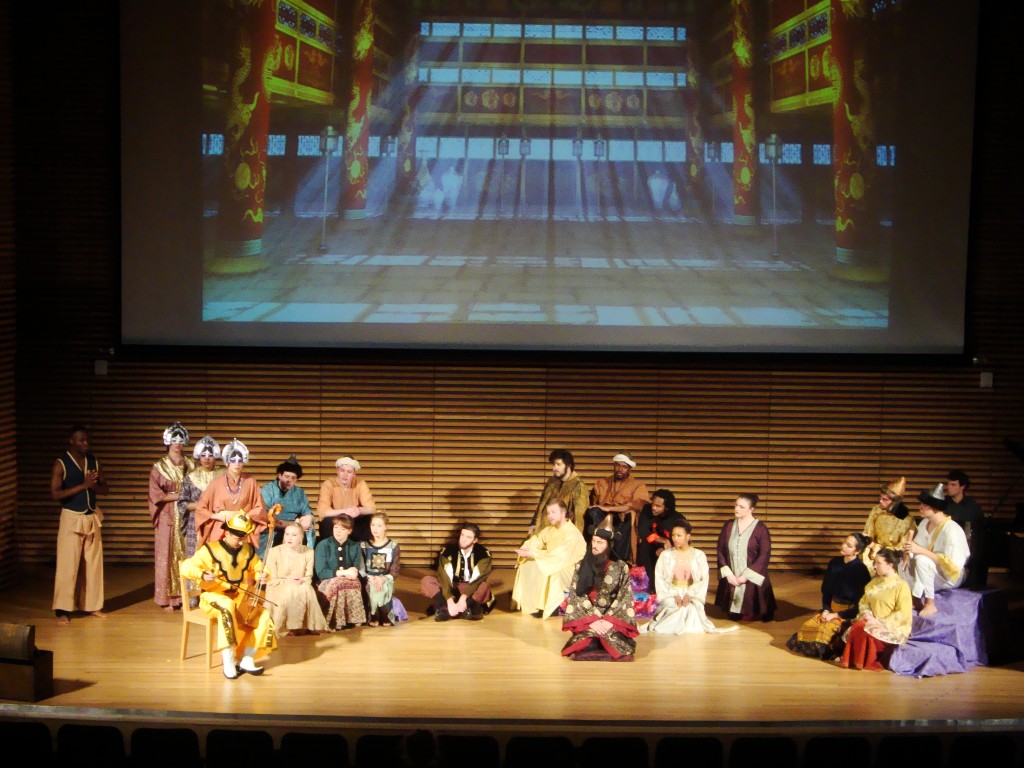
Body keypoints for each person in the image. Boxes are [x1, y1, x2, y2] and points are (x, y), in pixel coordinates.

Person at [180, 512, 277, 679]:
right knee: (227, 608)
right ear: (227, 533)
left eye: (243, 537)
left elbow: (258, 568)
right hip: (213, 596)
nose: (240, 541)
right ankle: (229, 660)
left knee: (263, 615)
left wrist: (262, 574)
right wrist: (202, 574)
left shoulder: (247, 550)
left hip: (239, 595)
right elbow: (186, 567)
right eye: (237, 537)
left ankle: (247, 658)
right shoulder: (210, 550)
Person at [51, 425, 109, 625]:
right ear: (71, 441)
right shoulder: (61, 464)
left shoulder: (93, 461)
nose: (85, 444)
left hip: (91, 516)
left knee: (93, 565)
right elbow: (56, 494)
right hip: (71, 518)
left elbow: (105, 490)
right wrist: (82, 486)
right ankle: (62, 610)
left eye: (87, 440)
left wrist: (98, 484)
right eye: (81, 440)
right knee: (68, 566)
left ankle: (92, 605)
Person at [641, 521, 738, 635]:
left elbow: (702, 579)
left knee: (690, 609)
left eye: (679, 535)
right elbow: (660, 578)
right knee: (674, 607)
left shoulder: (698, 555)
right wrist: (674, 594)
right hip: (671, 591)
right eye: (673, 535)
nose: (675, 539)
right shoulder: (666, 555)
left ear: (688, 536)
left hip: (691, 591)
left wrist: (690, 594)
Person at [786, 533, 872, 659]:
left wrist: (837, 615)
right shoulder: (834, 563)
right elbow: (826, 591)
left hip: (847, 613)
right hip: (830, 609)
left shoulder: (861, 570)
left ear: (857, 551)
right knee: (808, 627)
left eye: (848, 545)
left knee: (823, 633)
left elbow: (860, 604)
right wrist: (826, 610)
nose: (843, 546)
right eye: (844, 542)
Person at [561, 528, 639, 660]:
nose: (595, 546)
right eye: (593, 541)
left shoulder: (620, 567)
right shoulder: (581, 566)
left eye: (600, 542)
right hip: (588, 619)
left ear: (609, 545)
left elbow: (624, 596)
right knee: (586, 641)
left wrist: (608, 621)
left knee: (615, 640)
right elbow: (576, 596)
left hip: (612, 619)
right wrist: (593, 620)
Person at [900, 484, 970, 618]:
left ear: (936, 508)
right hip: (928, 569)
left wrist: (919, 550)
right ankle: (914, 600)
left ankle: (930, 603)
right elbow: (918, 547)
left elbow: (952, 565)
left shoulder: (952, 529)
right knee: (902, 564)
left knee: (921, 560)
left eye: (924, 506)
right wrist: (909, 550)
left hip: (949, 575)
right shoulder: (924, 523)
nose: (920, 508)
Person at [511, 499, 587, 618]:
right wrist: (526, 549)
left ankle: (549, 607)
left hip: (571, 571)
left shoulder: (572, 533)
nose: (550, 516)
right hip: (555, 562)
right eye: (548, 513)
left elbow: (560, 556)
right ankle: (532, 604)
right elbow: (536, 540)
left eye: (553, 512)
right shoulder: (549, 530)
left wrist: (536, 554)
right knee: (527, 564)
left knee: (550, 568)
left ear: (563, 513)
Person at [840, 548, 913, 670]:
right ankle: (855, 660)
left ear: (889, 565)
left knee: (864, 630)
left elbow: (903, 613)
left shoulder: (901, 586)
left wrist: (878, 622)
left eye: (878, 563)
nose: (874, 566)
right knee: (859, 626)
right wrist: (867, 614)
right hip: (870, 621)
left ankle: (861, 661)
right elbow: (864, 603)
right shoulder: (873, 583)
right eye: (874, 562)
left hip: (890, 627)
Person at [148, 422, 194, 612]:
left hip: (187, 514)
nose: (177, 443)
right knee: (166, 555)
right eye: (174, 439)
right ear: (167, 441)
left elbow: (196, 488)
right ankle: (168, 598)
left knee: (187, 554)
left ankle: (187, 596)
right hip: (167, 515)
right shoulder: (159, 466)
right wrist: (178, 495)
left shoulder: (191, 464)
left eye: (180, 439)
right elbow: (155, 494)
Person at [714, 493, 777, 621]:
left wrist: (746, 576)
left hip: (750, 579)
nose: (737, 509)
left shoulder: (760, 529)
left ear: (751, 509)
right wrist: (728, 574)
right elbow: (721, 550)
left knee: (753, 612)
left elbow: (764, 556)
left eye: (742, 507)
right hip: (732, 575)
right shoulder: (729, 526)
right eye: (736, 505)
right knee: (732, 614)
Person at [177, 436, 224, 605]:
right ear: (198, 456)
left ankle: (215, 595)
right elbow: (182, 503)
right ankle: (193, 597)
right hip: (195, 524)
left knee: (217, 558)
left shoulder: (223, 475)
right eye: (203, 455)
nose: (207, 458)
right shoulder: (190, 477)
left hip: (217, 523)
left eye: (210, 455)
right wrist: (201, 506)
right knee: (196, 558)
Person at [195, 438, 267, 546]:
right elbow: (201, 508)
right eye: (233, 460)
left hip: (242, 529)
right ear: (227, 462)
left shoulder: (251, 482)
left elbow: (259, 507)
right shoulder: (216, 483)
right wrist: (217, 516)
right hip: (220, 528)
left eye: (240, 461)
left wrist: (245, 516)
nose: (237, 464)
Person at [583, 452, 651, 562]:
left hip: (623, 522)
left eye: (624, 467)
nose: (620, 469)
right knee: (593, 511)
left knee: (630, 514)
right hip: (602, 520)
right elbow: (592, 504)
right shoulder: (602, 483)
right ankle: (597, 546)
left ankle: (620, 558)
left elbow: (633, 506)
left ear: (630, 469)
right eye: (618, 465)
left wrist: (609, 508)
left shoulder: (638, 486)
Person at [264, 522, 328, 636]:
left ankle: (305, 626)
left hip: (299, 584)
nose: (289, 537)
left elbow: (308, 576)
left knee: (306, 588)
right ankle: (288, 626)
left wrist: (301, 581)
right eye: (287, 534)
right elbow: (271, 579)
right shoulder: (274, 552)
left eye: (294, 535)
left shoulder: (308, 552)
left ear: (301, 538)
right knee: (291, 589)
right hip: (278, 585)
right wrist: (289, 581)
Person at [421, 523, 494, 621]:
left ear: (475, 540)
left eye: (468, 537)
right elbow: (443, 576)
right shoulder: (448, 551)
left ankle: (460, 608)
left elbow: (478, 579)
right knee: (427, 581)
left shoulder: (483, 554)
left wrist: (463, 598)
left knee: (484, 586)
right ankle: (448, 607)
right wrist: (450, 601)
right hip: (451, 586)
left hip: (470, 587)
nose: (463, 539)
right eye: (462, 535)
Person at [315, 516, 367, 629]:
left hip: (349, 577)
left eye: (342, 529)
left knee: (353, 583)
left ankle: (351, 619)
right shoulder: (323, 545)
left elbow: (354, 569)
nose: (338, 531)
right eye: (336, 527)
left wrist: (351, 573)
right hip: (327, 578)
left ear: (349, 531)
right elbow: (321, 572)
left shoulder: (354, 546)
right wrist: (342, 573)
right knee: (336, 584)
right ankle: (333, 621)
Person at [260, 454, 314, 550]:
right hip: (273, 528)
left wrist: (308, 517)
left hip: (294, 530)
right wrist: (288, 524)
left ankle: (307, 556)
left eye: (293, 478)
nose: (289, 480)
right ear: (280, 475)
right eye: (287, 476)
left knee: (309, 527)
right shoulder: (267, 490)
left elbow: (307, 511)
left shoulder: (299, 493)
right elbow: (264, 515)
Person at [317, 456, 376, 542]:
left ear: (354, 474)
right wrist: (345, 511)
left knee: (368, 518)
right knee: (327, 521)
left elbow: (372, 508)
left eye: (349, 472)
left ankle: (363, 552)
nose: (345, 475)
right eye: (342, 471)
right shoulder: (328, 484)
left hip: (353, 523)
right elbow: (323, 511)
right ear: (337, 471)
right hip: (335, 523)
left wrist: (358, 510)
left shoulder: (360, 483)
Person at [530, 449, 589, 534]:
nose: (555, 468)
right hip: (542, 530)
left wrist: (573, 538)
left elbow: (580, 518)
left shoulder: (578, 486)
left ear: (568, 466)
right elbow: (541, 505)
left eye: (558, 464)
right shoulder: (551, 482)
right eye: (554, 464)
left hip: (562, 533)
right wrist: (533, 524)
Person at [634, 489, 687, 582]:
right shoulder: (647, 510)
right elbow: (642, 532)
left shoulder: (677, 519)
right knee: (644, 547)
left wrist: (666, 548)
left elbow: (682, 541)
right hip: (650, 546)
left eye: (658, 506)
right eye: (653, 504)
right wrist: (662, 540)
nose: (653, 508)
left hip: (671, 549)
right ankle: (646, 584)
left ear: (666, 507)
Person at [360, 511, 403, 626]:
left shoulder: (393, 546)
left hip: (386, 579)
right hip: (369, 579)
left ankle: (385, 616)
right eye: (373, 525)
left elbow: (394, 571)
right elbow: (361, 568)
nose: (375, 529)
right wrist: (371, 578)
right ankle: (373, 616)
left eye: (379, 526)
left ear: (386, 527)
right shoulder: (364, 545)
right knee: (371, 587)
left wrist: (382, 579)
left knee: (383, 587)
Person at [945, 469, 986, 588]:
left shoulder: (973, 506)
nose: (949, 487)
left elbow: (980, 530)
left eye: (953, 485)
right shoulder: (943, 504)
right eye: (948, 484)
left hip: (968, 547)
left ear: (962, 487)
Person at [861, 476, 913, 567]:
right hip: (872, 553)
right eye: (880, 498)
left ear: (895, 502)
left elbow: (901, 548)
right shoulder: (876, 510)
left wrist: (878, 549)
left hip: (893, 558)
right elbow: (868, 533)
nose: (880, 501)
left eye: (885, 499)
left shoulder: (907, 520)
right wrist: (869, 543)